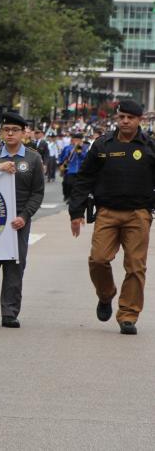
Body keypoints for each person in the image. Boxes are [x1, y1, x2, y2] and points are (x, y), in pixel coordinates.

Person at [69, 100, 155, 335]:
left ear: (140, 120)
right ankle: (106, 295)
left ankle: (128, 315)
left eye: (130, 117)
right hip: (107, 212)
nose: (125, 121)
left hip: (138, 214)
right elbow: (84, 178)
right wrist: (75, 212)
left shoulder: (150, 146)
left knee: (136, 267)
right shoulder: (102, 144)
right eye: (121, 117)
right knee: (98, 260)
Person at [0, 112, 45, 328]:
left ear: (24, 133)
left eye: (15, 130)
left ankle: (10, 312)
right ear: (1, 132)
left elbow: (37, 192)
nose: (10, 133)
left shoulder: (33, 158)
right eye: (6, 130)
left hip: (18, 220)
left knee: (15, 266)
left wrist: (25, 217)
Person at [59, 132, 86, 201]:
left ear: (80, 141)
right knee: (67, 183)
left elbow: (85, 157)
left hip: (80, 169)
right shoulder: (68, 148)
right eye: (75, 140)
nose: (76, 142)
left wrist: (79, 152)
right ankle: (67, 195)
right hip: (69, 169)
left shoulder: (83, 147)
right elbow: (62, 157)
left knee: (76, 185)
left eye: (78, 140)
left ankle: (72, 198)